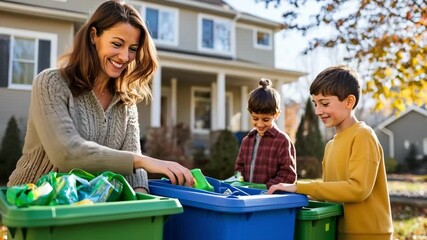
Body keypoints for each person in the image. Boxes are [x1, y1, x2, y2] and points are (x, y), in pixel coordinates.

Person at [7, 0, 194, 193]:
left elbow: (135, 172)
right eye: (117, 44)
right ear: (94, 36)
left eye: (132, 49)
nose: (124, 57)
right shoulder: (51, 83)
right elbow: (66, 153)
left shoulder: (125, 102)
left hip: (86, 207)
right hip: (30, 203)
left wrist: (141, 199)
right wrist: (142, 161)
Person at [268, 65, 393, 239]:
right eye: (315, 104)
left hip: (369, 233)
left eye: (325, 103)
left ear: (349, 102)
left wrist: (299, 186)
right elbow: (331, 191)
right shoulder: (330, 145)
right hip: (338, 230)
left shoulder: (363, 135)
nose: (318, 111)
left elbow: (358, 189)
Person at [234, 78, 297, 189]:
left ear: (276, 115)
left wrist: (264, 188)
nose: (260, 124)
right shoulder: (246, 141)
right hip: (248, 197)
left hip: (270, 200)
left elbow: (288, 175)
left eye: (266, 119)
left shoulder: (282, 141)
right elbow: (239, 168)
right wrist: (239, 181)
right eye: (255, 118)